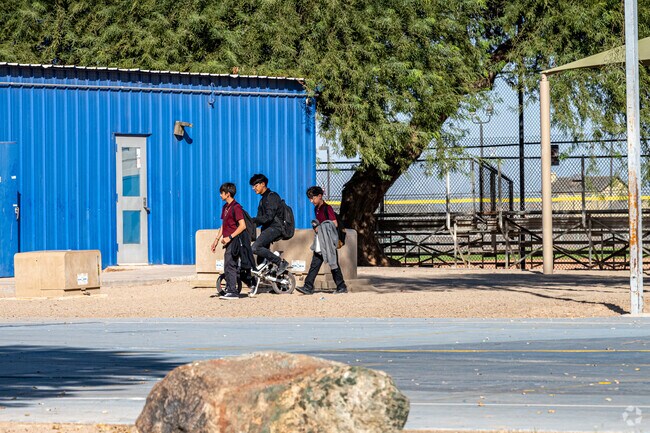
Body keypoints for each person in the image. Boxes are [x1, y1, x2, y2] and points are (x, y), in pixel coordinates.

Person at [296, 186, 347, 295]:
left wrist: (321, 227)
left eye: (313, 198)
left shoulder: (327, 208)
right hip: (321, 240)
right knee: (315, 263)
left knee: (333, 262)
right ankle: (308, 286)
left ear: (320, 196)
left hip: (328, 241)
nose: (311, 201)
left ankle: (341, 286)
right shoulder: (316, 209)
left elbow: (334, 223)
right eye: (309, 198)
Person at [211, 182, 252, 300]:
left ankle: (233, 291)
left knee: (230, 264)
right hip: (227, 241)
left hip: (235, 240)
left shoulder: (236, 207)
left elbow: (242, 225)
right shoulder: (225, 207)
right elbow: (223, 225)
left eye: (221, 193)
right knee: (228, 264)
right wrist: (216, 240)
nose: (220, 195)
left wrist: (230, 237)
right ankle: (231, 289)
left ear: (228, 194)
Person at [249, 173, 290, 274]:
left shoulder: (272, 196)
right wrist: (248, 223)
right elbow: (260, 219)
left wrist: (253, 220)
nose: (254, 188)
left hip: (275, 228)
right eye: (253, 186)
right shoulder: (262, 200)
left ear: (263, 184)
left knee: (255, 248)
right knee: (260, 262)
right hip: (267, 229)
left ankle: (280, 262)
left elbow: (269, 217)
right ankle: (272, 279)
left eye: (256, 185)